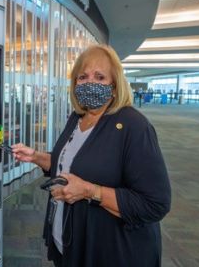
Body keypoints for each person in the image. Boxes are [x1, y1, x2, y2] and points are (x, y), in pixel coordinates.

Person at [11, 44, 171, 267]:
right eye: (82, 77)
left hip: (112, 254)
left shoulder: (134, 126)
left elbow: (155, 203)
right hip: (69, 246)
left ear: (114, 86)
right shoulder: (78, 118)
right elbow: (71, 163)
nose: (90, 83)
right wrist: (37, 157)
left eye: (100, 76)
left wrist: (89, 191)